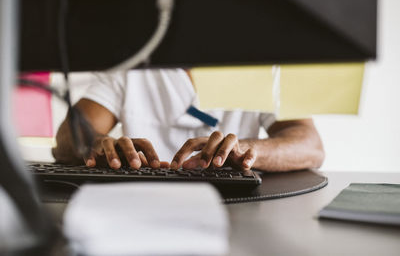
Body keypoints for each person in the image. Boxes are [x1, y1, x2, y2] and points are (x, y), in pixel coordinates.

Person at [52, 69, 324, 172]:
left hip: (239, 207)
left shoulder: (262, 62)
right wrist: (98, 144)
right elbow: (67, 136)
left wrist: (248, 151)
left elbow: (310, 144)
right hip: (140, 207)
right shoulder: (132, 66)